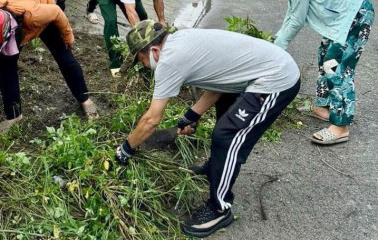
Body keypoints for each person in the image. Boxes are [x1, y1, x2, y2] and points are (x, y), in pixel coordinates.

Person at [115, 20, 300, 238]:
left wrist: (125, 149)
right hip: (257, 72)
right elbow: (220, 81)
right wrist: (191, 115)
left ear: (154, 50)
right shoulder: (182, 40)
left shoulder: (169, 61)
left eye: (142, 60)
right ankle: (215, 170)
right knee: (226, 113)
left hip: (276, 79)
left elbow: (151, 120)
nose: (144, 66)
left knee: (227, 136)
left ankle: (219, 208)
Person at [264, 0, 375, 145]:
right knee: (325, 56)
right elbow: (292, 14)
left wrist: (277, 49)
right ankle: (321, 107)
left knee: (336, 67)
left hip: (356, 15)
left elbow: (297, 21)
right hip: (340, 20)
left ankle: (340, 126)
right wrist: (276, 40)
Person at [0, 0, 98, 141]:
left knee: (63, 55)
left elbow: (57, 11)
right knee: (5, 71)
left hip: (42, 13)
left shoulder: (34, 15)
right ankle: (14, 116)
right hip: (11, 28)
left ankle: (85, 99)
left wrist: (68, 35)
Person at [95, 0, 165, 77]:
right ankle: (115, 63)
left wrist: (162, 20)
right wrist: (140, 42)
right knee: (111, 22)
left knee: (143, 17)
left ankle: (149, 55)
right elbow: (131, 11)